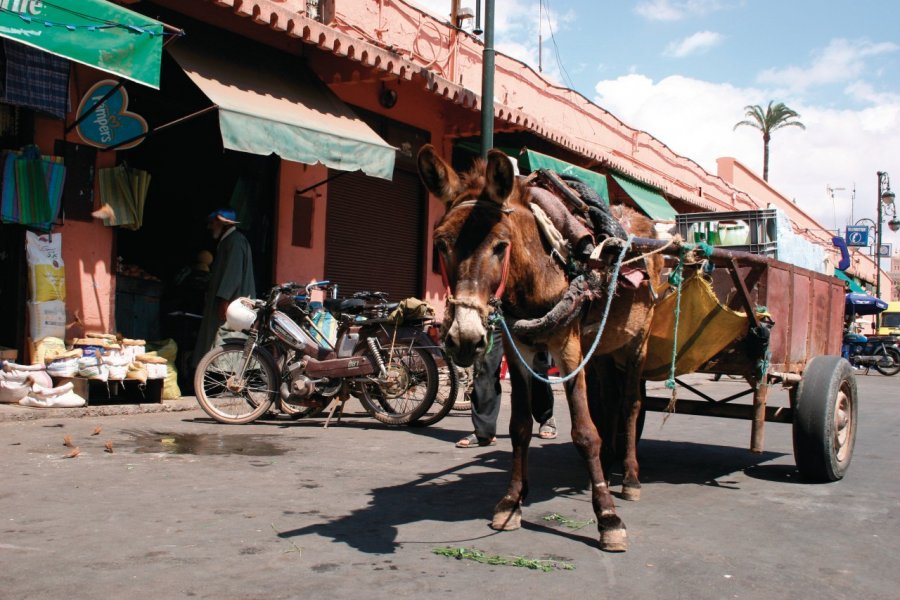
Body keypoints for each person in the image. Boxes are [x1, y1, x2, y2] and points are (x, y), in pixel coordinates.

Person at [455, 328, 556, 448]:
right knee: (485, 367)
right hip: (494, 317)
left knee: (534, 364)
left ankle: (546, 416)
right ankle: (484, 432)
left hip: (524, 315)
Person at [191, 208, 256, 369]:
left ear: (222, 224)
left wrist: (224, 300)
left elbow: (232, 274)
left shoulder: (234, 241)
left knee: (229, 340)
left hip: (232, 304)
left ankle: (226, 379)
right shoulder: (229, 241)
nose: (210, 227)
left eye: (213, 223)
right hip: (228, 301)